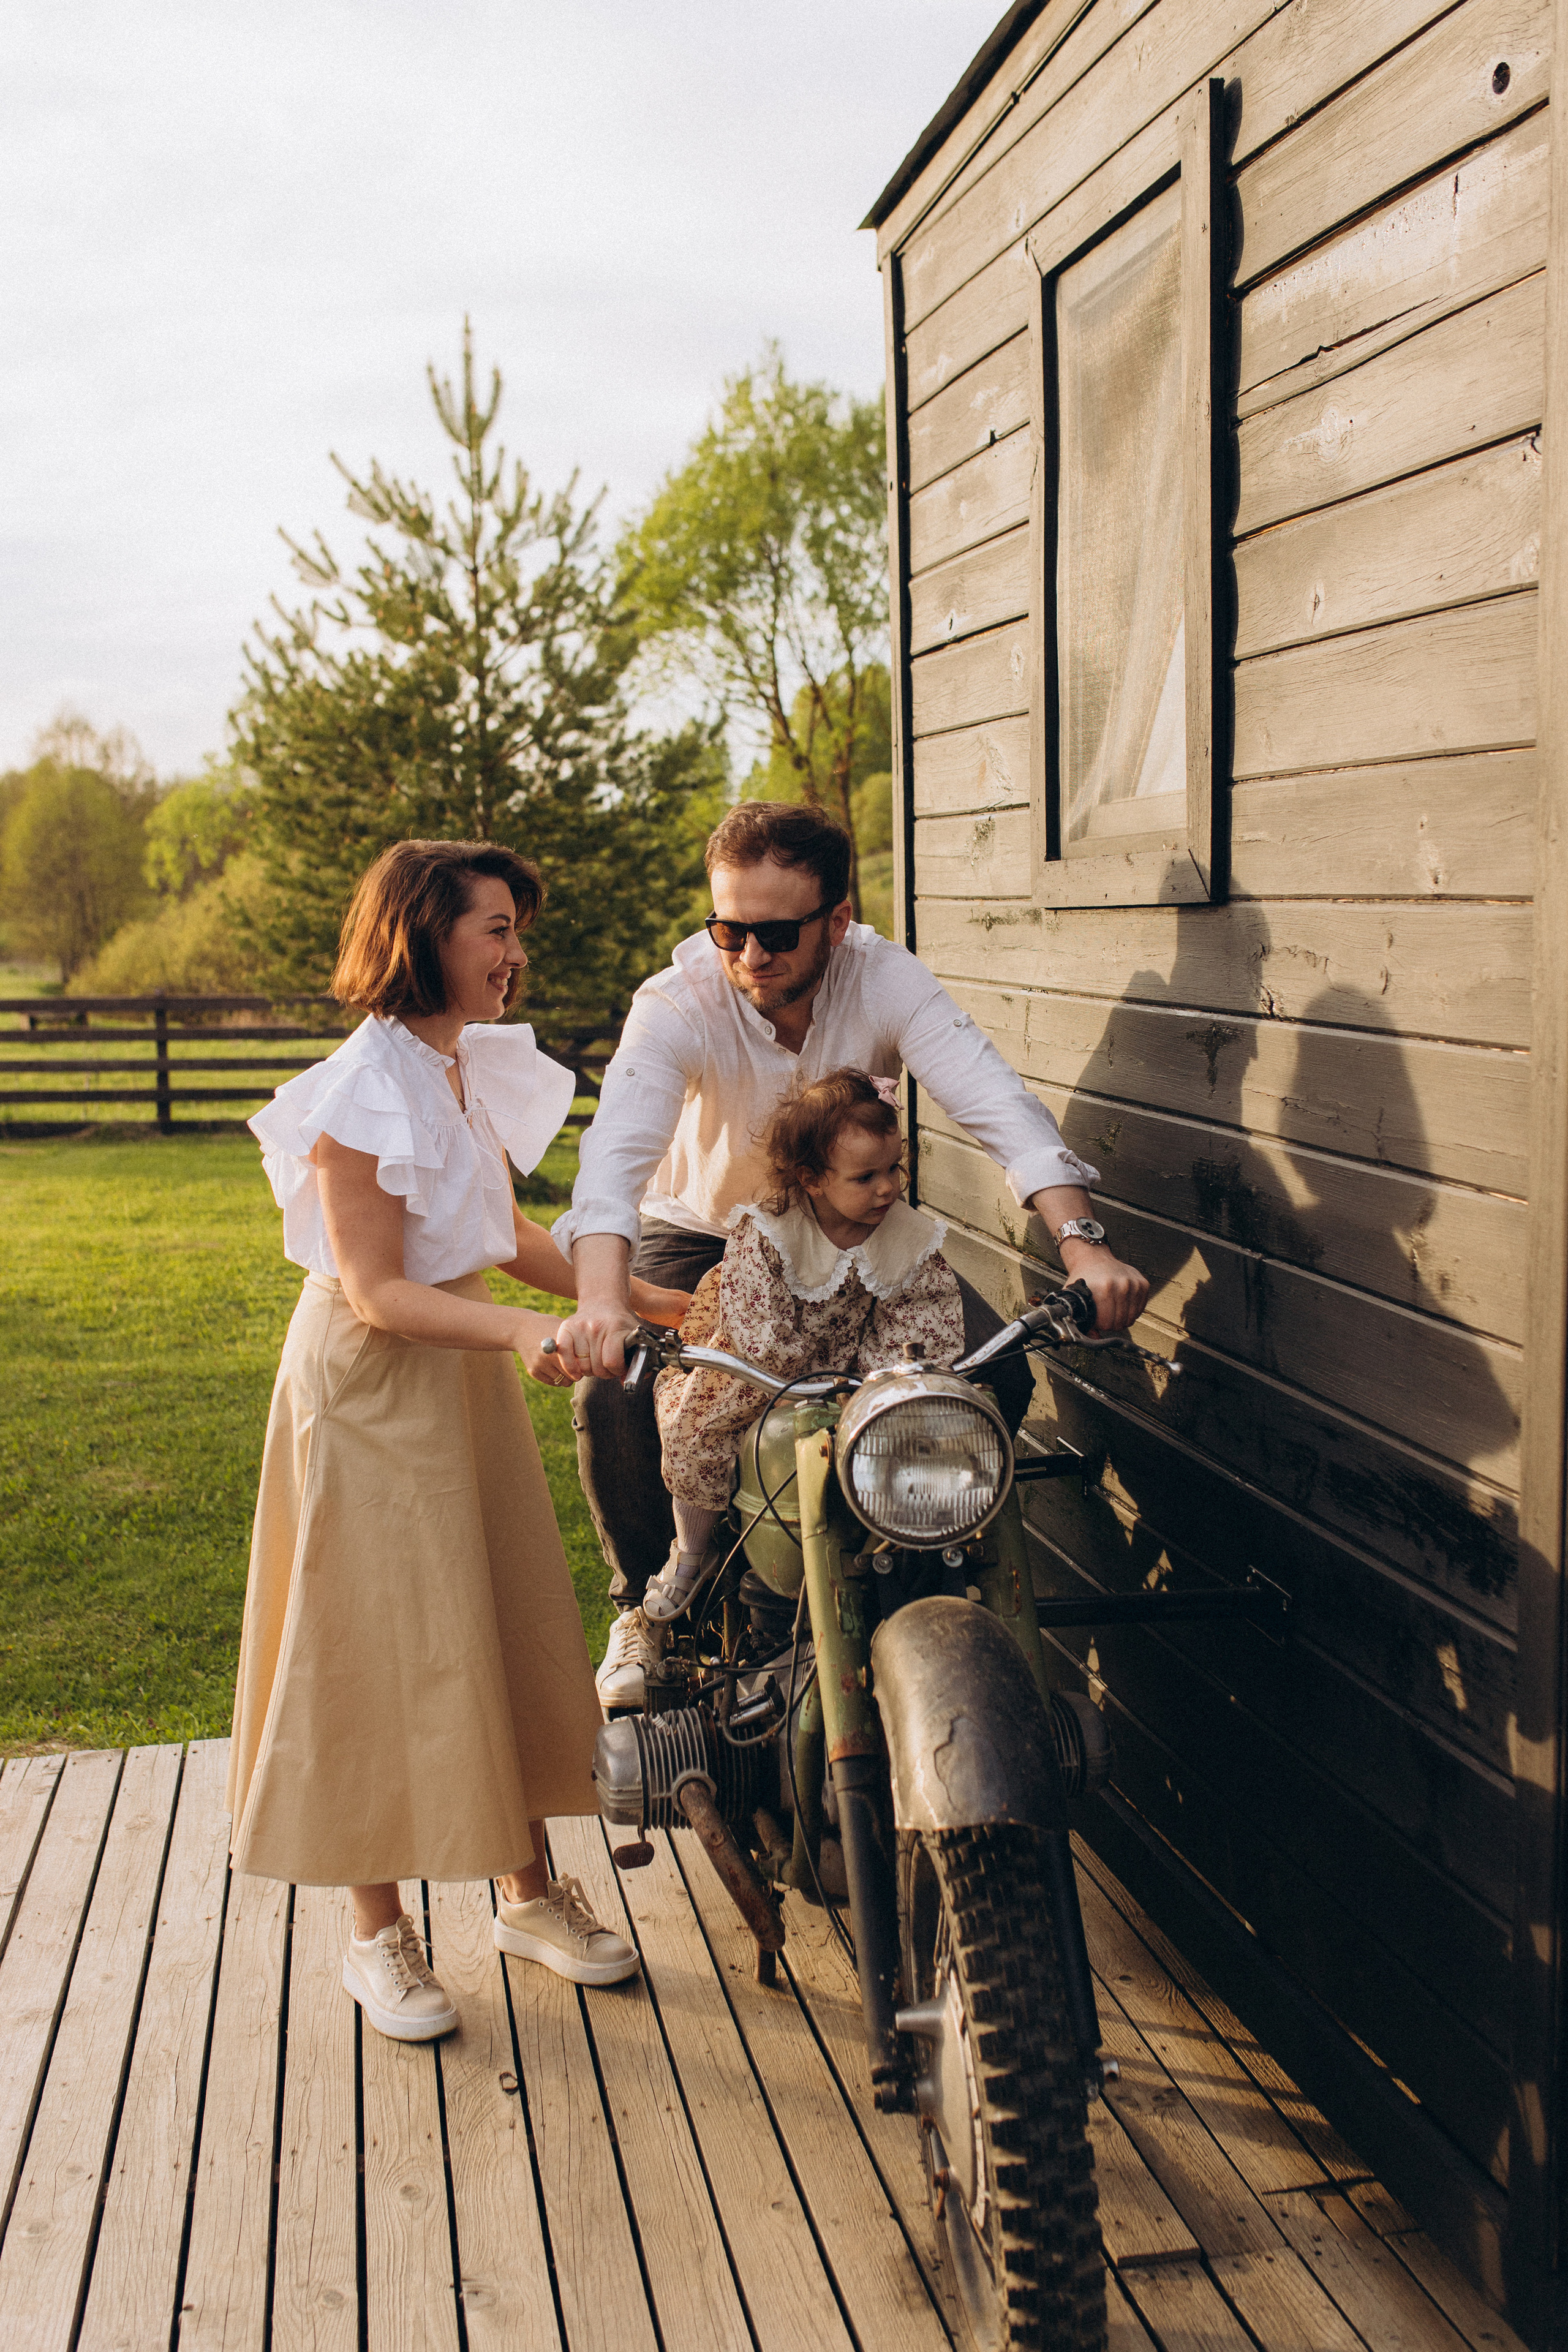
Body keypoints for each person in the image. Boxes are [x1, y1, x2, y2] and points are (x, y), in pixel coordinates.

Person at [228, 838, 688, 2041]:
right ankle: (377, 1938)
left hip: (463, 1374)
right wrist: (521, 1332)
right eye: (494, 929)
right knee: (369, 1649)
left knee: (489, 1620)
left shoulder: (455, 1069)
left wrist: (645, 1300)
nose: (513, 954)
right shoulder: (360, 1091)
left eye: (512, 930)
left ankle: (526, 1899)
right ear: (425, 937)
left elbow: (510, 1231)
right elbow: (378, 1290)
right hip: (373, 1392)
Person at [551, 801, 1150, 1708]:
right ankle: (651, 1604)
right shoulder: (678, 1003)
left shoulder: (885, 977)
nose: (751, 956)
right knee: (617, 1392)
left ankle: (930, 1563)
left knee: (994, 1373)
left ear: (837, 920)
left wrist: (1082, 1243)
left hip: (852, 1226)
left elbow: (995, 1101)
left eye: (778, 932)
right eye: (728, 929)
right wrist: (602, 1301)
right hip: (708, 1231)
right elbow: (614, 1158)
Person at [649, 1066, 965, 1618]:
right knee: (693, 1430)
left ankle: (894, 1563)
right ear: (813, 1179)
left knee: (903, 1443)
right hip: (756, 1369)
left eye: (895, 1168)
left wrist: (882, 1378)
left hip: (854, 1378)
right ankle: (691, 1553)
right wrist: (791, 1371)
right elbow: (755, 1320)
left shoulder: (904, 1235)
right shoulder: (770, 1231)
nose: (888, 1188)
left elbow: (917, 1316)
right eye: (865, 1177)